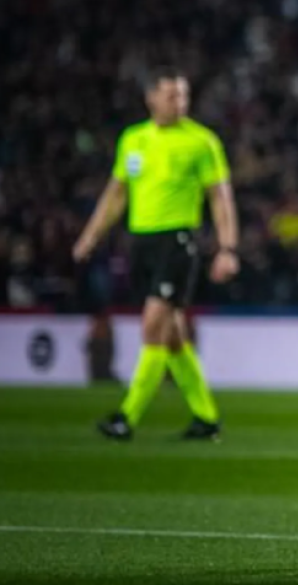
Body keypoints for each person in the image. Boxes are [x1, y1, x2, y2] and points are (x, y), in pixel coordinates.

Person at [76, 68, 238, 442]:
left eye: (183, 96)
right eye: (171, 96)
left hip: (178, 241)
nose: (179, 103)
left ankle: (126, 417)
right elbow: (117, 193)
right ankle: (206, 416)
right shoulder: (133, 140)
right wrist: (91, 235)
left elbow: (220, 197)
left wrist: (228, 248)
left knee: (153, 325)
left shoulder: (201, 142)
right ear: (151, 98)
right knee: (173, 335)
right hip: (142, 243)